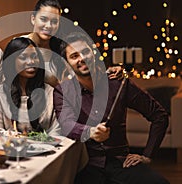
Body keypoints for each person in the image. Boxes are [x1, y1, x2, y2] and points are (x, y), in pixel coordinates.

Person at [53, 32, 170, 184]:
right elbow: (66, 124)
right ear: (67, 62)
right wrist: (90, 132)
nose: (82, 58)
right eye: (74, 56)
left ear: (94, 53)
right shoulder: (63, 90)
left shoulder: (119, 83)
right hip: (84, 165)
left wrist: (147, 155)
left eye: (85, 52)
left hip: (120, 163)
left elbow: (159, 115)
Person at [23, 0, 122, 87]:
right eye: (43, 19)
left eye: (54, 21)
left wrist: (109, 72)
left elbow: (82, 73)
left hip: (60, 104)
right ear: (33, 19)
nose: (49, 25)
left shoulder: (60, 48)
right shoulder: (19, 45)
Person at [0, 37, 60, 136]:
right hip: (10, 149)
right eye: (23, 57)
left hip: (48, 149)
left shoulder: (50, 92)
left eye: (35, 56)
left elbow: (56, 130)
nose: (31, 61)